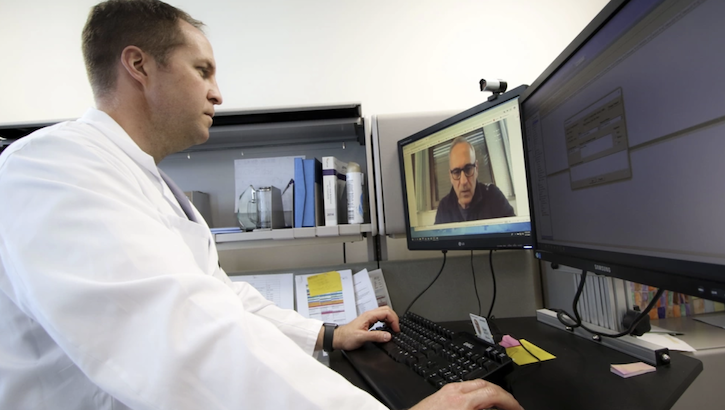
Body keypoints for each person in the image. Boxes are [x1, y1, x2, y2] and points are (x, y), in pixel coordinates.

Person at [0, 1, 523, 410]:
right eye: (202, 70)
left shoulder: (143, 180)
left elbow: (220, 299)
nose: (218, 93)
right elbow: (179, 338)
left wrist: (326, 333)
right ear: (139, 65)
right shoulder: (53, 168)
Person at [435, 137, 515, 224]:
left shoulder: (493, 196)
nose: (463, 181)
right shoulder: (443, 207)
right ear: (450, 176)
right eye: (456, 172)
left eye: (468, 169)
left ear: (476, 168)